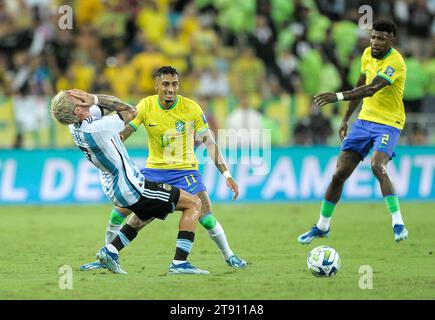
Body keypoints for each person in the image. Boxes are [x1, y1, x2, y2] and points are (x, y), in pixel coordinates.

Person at [81, 66, 247, 271]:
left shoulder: (191, 108)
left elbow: (209, 143)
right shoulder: (146, 106)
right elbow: (124, 134)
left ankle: (229, 256)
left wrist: (227, 174)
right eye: (166, 84)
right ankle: (106, 256)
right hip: (154, 171)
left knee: (206, 215)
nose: (171, 89)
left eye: (175, 84)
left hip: (186, 172)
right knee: (125, 212)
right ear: (156, 85)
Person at [51, 89, 209, 275]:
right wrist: (93, 98)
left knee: (145, 215)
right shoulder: (95, 129)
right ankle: (180, 263)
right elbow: (131, 111)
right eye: (78, 99)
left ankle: (110, 251)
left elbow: (104, 107)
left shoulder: (77, 124)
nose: (83, 98)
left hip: (115, 186)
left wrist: (92, 100)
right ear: (78, 110)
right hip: (132, 187)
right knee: (194, 203)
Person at [298, 20, 409, 244]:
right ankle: (322, 226)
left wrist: (337, 96)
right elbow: (360, 84)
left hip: (389, 122)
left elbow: (371, 89)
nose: (375, 42)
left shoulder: (396, 62)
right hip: (364, 121)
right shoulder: (367, 54)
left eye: (381, 38)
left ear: (391, 39)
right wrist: (346, 118)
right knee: (339, 174)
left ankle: (398, 222)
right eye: (373, 37)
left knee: (378, 165)